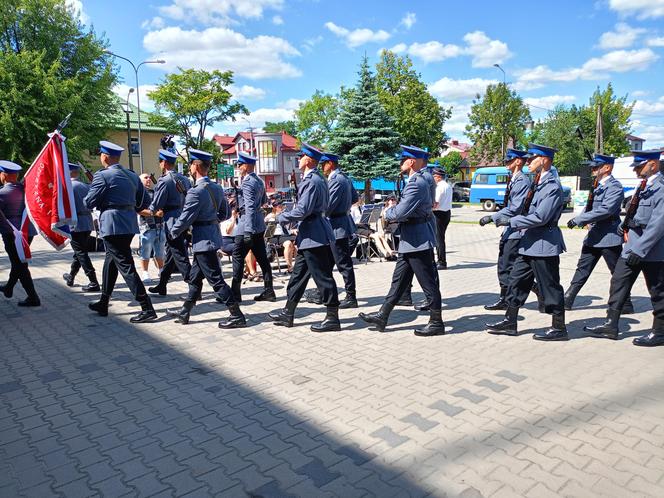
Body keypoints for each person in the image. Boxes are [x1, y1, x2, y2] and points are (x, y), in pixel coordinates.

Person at [359, 145, 444, 336]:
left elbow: (401, 211)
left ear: (411, 162)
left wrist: (387, 212)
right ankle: (382, 315)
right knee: (398, 282)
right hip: (413, 238)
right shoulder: (427, 177)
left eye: (403, 160)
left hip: (416, 240)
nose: (400, 163)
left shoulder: (416, 183)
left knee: (428, 283)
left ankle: (437, 322)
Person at [486, 143, 567, 341]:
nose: (528, 162)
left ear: (545, 160)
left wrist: (511, 221)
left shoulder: (552, 187)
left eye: (532, 159)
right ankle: (510, 322)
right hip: (529, 242)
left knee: (550, 286)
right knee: (516, 281)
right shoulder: (537, 182)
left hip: (544, 244)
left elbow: (541, 217)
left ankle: (559, 327)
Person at [584, 150, 664, 347]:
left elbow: (658, 224)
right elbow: (633, 211)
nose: (636, 170)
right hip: (631, 247)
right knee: (618, 282)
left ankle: (660, 331)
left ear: (653, 164)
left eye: (639, 166)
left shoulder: (661, 188)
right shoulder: (644, 185)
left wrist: (640, 250)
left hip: (651, 250)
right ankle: (611, 325)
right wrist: (623, 226)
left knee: (657, 291)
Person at [166, 149, 246, 329]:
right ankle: (185, 312)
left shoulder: (196, 192)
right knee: (194, 278)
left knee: (216, 280)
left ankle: (237, 315)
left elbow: (186, 217)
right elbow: (225, 213)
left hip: (203, 241)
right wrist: (211, 222)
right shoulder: (217, 187)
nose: (189, 168)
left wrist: (173, 232)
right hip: (212, 237)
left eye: (190, 165)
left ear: (195, 166)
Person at [267, 143, 340, 332]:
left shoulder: (312, 180)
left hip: (314, 235)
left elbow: (304, 209)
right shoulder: (318, 179)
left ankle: (332, 317)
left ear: (308, 160)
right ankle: (288, 312)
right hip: (310, 234)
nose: (298, 160)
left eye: (301, 157)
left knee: (323, 278)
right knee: (298, 277)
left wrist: (281, 217)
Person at [84, 141, 157, 323]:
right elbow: (143, 202)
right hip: (128, 223)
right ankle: (104, 301)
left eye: (101, 154)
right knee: (111, 262)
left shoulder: (102, 176)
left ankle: (146, 306)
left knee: (125, 265)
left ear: (105, 157)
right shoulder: (132, 175)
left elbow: (88, 203)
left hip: (112, 224)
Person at [564, 154, 634, 313]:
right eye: (592, 167)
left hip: (609, 236)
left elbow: (606, 210)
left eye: (596, 167)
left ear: (607, 167)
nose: (592, 169)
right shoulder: (597, 185)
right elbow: (590, 206)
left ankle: (626, 303)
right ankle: (568, 299)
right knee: (582, 268)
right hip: (594, 235)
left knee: (617, 272)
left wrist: (580, 219)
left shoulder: (614, 187)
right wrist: (584, 217)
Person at [479, 148, 531, 310]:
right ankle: (506, 298)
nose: (507, 163)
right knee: (504, 265)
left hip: (517, 229)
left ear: (518, 162)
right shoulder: (514, 179)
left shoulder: (522, 181)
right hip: (509, 228)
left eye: (510, 160)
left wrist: (492, 217)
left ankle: (509, 300)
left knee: (507, 266)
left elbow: (515, 208)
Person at [305, 153, 360, 308]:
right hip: (338, 223)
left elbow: (328, 206)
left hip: (337, 225)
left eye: (323, 165)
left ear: (330, 163)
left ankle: (351, 296)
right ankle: (324, 292)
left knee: (343, 263)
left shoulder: (336, 180)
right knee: (328, 262)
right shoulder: (344, 178)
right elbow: (355, 198)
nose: (322, 168)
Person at [231, 152, 275, 302]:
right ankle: (269, 290)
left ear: (247, 166)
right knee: (262, 259)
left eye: (240, 165)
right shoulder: (259, 180)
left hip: (246, 225)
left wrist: (248, 230)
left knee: (237, 256)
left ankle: (235, 294)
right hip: (258, 224)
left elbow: (249, 207)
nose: (238, 167)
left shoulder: (248, 181)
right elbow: (263, 200)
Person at [147, 150, 192, 296]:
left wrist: (143, 209)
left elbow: (156, 204)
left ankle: (194, 286)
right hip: (183, 219)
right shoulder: (185, 179)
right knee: (172, 253)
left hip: (171, 220)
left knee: (179, 254)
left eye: (160, 162)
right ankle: (162, 284)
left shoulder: (164, 180)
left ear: (164, 163)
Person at [0, 160, 40, 306]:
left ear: (3, 175)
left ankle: (33, 297)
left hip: (13, 234)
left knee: (19, 264)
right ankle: (9, 288)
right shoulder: (26, 189)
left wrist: (8, 229)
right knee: (18, 262)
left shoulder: (2, 193)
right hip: (27, 231)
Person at [62, 163, 99, 292]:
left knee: (81, 253)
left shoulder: (67, 188)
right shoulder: (86, 185)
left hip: (75, 223)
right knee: (80, 251)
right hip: (87, 222)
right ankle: (71, 277)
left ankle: (93, 281)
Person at [137, 173, 165, 283]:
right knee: (146, 251)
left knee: (160, 251)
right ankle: (145, 273)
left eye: (149, 177)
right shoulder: (139, 194)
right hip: (147, 227)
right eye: (145, 178)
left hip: (159, 226)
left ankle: (161, 270)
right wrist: (154, 213)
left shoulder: (155, 192)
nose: (148, 179)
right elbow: (138, 210)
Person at [265, 201, 296, 272]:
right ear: (275, 208)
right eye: (280, 207)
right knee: (288, 243)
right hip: (274, 237)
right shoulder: (270, 216)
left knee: (296, 242)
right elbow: (269, 230)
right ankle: (290, 266)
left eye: (282, 206)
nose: (282, 208)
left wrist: (292, 231)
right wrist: (274, 218)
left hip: (284, 236)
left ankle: (295, 267)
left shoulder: (284, 215)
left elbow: (286, 229)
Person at [432, 167, 452, 270]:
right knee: (441, 237)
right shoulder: (448, 186)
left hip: (438, 214)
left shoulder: (439, 187)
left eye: (434, 176)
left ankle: (441, 262)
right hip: (447, 213)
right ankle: (441, 260)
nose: (433, 178)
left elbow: (436, 203)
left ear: (438, 177)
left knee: (438, 239)